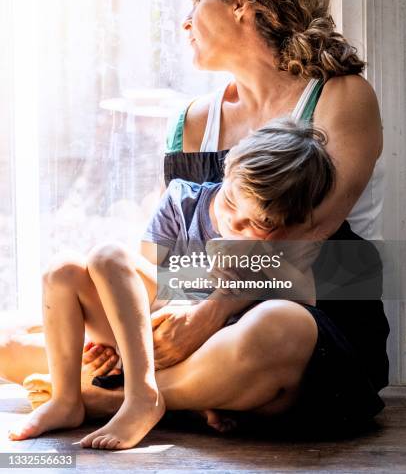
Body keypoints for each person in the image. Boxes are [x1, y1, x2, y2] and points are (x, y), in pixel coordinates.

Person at [0, 0, 389, 437]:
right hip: (196, 303)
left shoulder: (340, 95)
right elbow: (172, 260)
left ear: (242, 5)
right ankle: (178, 389)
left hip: (315, 309)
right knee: (12, 343)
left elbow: (307, 240)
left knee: (275, 330)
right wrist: (144, 325)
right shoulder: (192, 119)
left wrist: (209, 315)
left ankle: (108, 395)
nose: (185, 20)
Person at [8, 118, 334, 448]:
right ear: (227, 172)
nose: (235, 222)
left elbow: (303, 311)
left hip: (212, 351)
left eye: (259, 222)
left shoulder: (280, 250)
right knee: (71, 267)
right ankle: (67, 400)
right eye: (231, 201)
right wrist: (116, 341)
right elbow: (140, 279)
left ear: (289, 224)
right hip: (155, 328)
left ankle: (142, 398)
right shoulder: (182, 201)